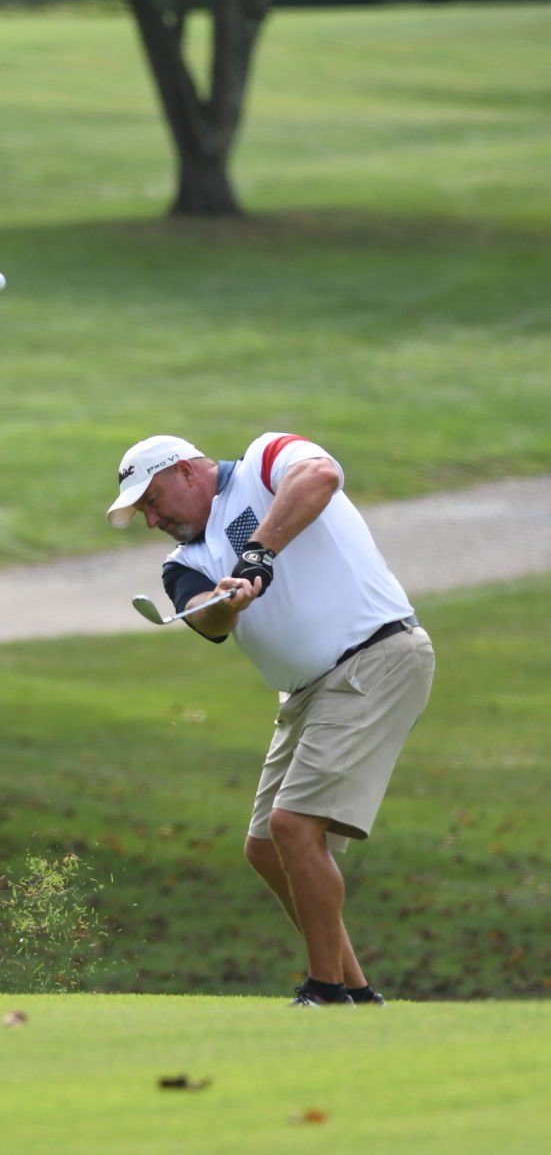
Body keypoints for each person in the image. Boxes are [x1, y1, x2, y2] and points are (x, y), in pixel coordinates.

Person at [106, 430, 435, 1006]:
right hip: (306, 695)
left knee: (293, 826)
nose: (151, 520)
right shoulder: (182, 562)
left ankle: (325, 990)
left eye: (151, 502)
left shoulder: (264, 461)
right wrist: (227, 606)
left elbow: (321, 477)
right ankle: (356, 991)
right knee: (264, 845)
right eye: (141, 513)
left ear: (185, 472)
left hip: (375, 656)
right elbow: (201, 619)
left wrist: (259, 551)